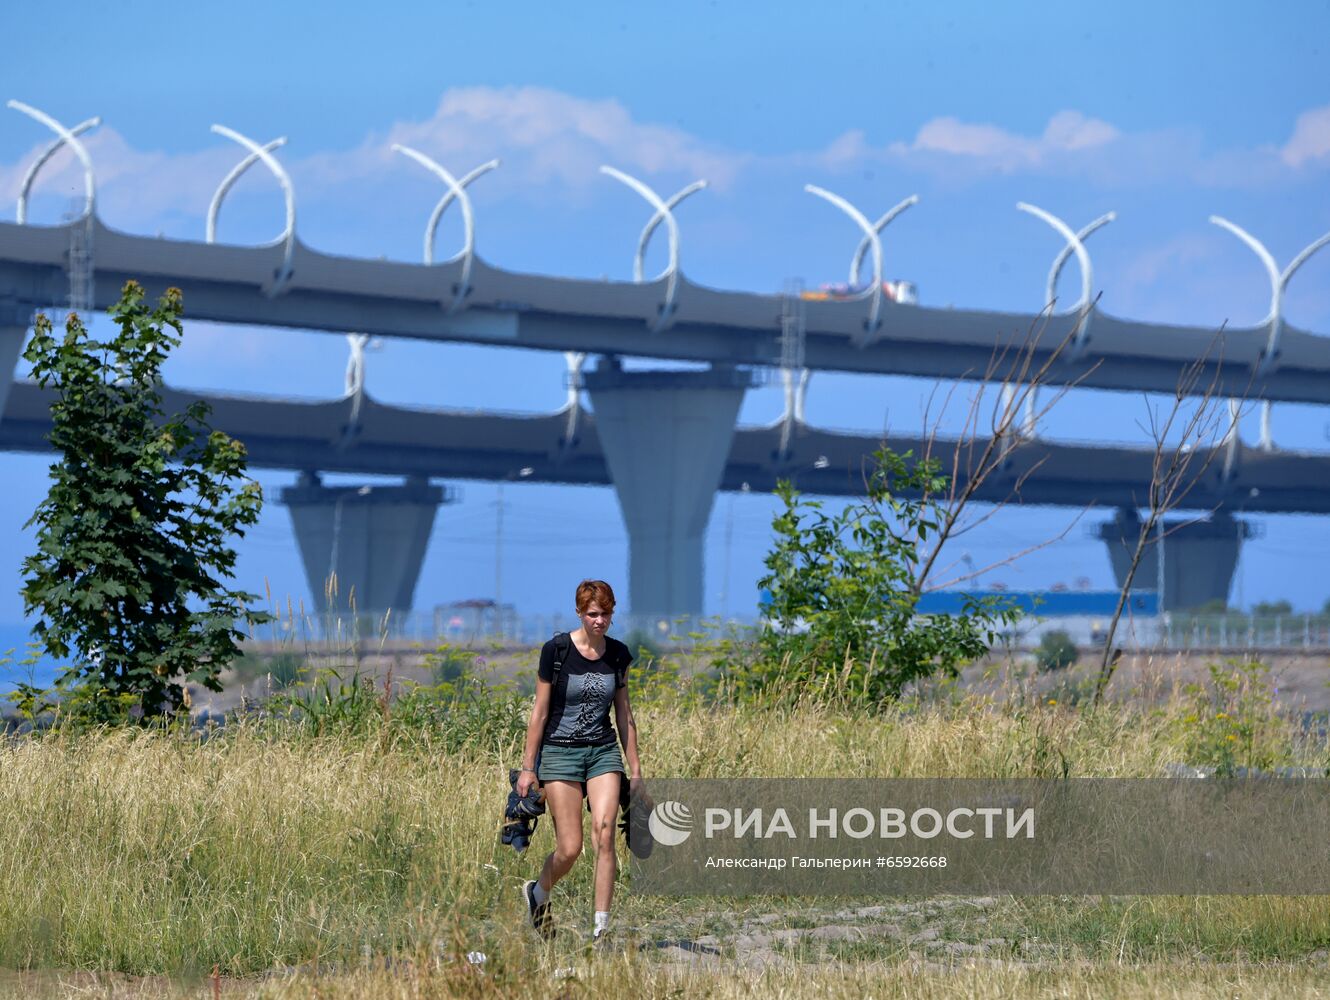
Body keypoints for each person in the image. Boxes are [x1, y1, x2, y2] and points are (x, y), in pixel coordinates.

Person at [515, 579, 641, 944]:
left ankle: (601, 929)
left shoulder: (618, 655)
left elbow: (624, 714)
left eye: (605, 614)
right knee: (570, 848)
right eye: (592, 614)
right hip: (559, 752)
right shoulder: (556, 651)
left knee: (606, 834)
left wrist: (636, 772)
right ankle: (538, 893)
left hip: (602, 751)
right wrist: (528, 768)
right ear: (580, 613)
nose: (599, 621)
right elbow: (539, 712)